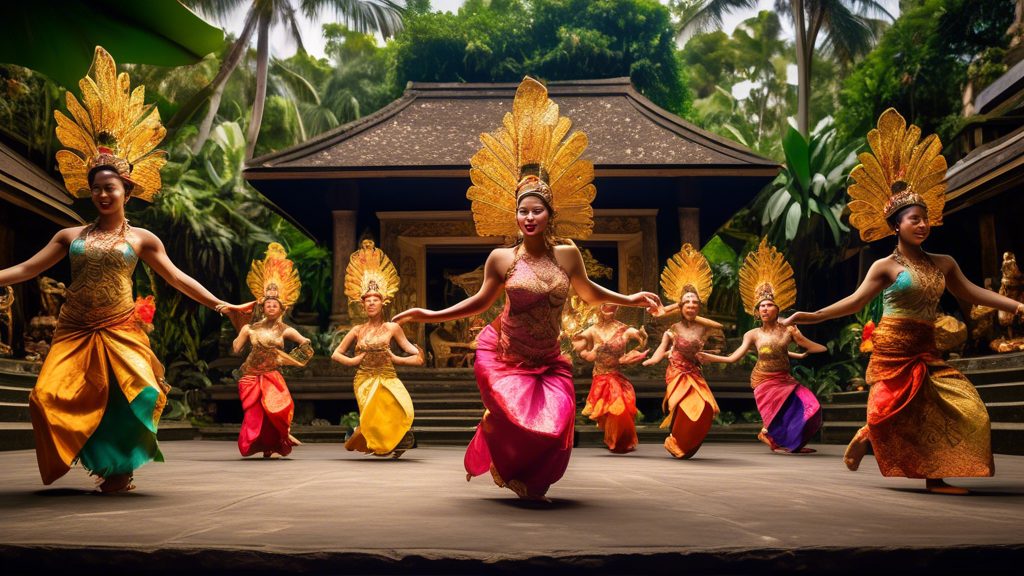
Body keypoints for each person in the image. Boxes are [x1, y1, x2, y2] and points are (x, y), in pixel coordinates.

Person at [393, 77, 661, 501]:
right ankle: (504, 442)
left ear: (550, 214)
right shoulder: (502, 259)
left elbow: (590, 293)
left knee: (559, 420)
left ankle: (532, 475)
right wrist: (428, 314)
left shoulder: (567, 254)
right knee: (515, 416)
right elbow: (479, 302)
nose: (529, 217)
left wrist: (629, 298)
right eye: (523, 211)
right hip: (507, 355)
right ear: (515, 215)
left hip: (548, 357)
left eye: (537, 210)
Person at [0, 47, 248, 491]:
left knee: (132, 394)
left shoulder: (142, 239)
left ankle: (118, 467)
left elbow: (175, 277)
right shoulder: (69, 236)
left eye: (110, 188)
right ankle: (95, 455)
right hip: (74, 328)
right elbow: (25, 269)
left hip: (120, 326)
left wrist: (220, 303)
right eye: (96, 188)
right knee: (44, 397)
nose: (102, 195)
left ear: (126, 192)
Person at [783, 109, 1024, 494]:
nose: (922, 225)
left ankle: (925, 470)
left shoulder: (943, 263)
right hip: (893, 345)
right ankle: (873, 437)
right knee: (889, 408)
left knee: (963, 406)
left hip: (926, 346)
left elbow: (972, 291)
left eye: (925, 219)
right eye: (914, 219)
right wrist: (811, 315)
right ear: (897, 225)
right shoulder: (885, 266)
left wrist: (1015, 306)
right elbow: (853, 302)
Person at [697, 238, 827, 454]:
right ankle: (775, 438)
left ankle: (788, 440)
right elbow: (733, 358)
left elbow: (818, 350)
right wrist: (712, 358)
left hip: (785, 379)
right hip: (764, 381)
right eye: (762, 307)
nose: (765, 309)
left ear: (778, 309)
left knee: (810, 406)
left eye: (769, 305)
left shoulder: (789, 330)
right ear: (756, 313)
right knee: (779, 414)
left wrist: (801, 347)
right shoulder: (752, 334)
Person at [332, 239, 423, 458]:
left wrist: (397, 359)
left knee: (403, 408)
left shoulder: (392, 328)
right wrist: (353, 361)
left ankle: (390, 440)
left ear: (383, 302)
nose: (371, 303)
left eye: (376, 299)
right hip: (364, 379)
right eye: (368, 300)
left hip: (388, 375)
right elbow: (335, 354)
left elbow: (417, 357)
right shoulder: (356, 330)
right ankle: (381, 442)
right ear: (362, 304)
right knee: (373, 412)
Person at [232, 243, 313, 458]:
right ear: (262, 306)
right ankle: (259, 443)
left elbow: (305, 342)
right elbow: (237, 349)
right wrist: (242, 329)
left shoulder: (286, 330)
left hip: (272, 375)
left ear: (281, 309)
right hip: (251, 375)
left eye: (275, 304)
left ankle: (279, 440)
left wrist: (293, 359)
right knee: (255, 414)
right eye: (267, 303)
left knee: (277, 409)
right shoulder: (251, 328)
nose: (270, 306)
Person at [642, 244, 722, 459]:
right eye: (686, 302)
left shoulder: (704, 327)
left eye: (695, 302)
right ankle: (676, 440)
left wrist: (685, 311)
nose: (691, 305)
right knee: (686, 406)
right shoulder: (673, 329)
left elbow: (719, 327)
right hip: (677, 372)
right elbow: (661, 350)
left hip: (695, 373)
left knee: (706, 408)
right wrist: (652, 360)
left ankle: (681, 442)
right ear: (680, 305)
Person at [573, 303, 648, 453]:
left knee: (622, 405)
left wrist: (640, 343)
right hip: (601, 376)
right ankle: (614, 439)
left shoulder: (623, 329)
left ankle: (620, 439)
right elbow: (578, 348)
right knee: (613, 407)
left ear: (617, 309)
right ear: (599, 307)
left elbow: (640, 338)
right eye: (606, 305)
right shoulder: (592, 330)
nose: (609, 309)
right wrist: (589, 353)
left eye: (613, 306)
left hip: (616, 374)